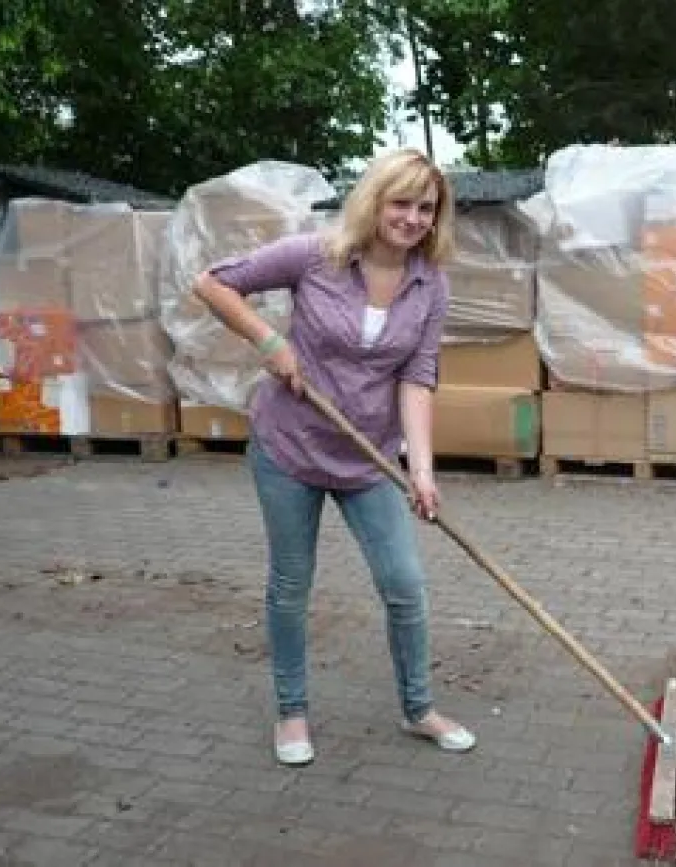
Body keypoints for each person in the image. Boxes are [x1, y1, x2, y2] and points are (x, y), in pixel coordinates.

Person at [192, 148, 476, 767]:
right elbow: (213, 282)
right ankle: (291, 713)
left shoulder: (431, 285)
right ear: (374, 199)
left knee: (404, 584)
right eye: (401, 202)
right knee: (291, 586)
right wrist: (269, 341)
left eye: (426, 208)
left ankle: (418, 708)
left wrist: (421, 470)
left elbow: (418, 378)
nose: (412, 218)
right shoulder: (315, 256)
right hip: (289, 448)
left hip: (368, 459)